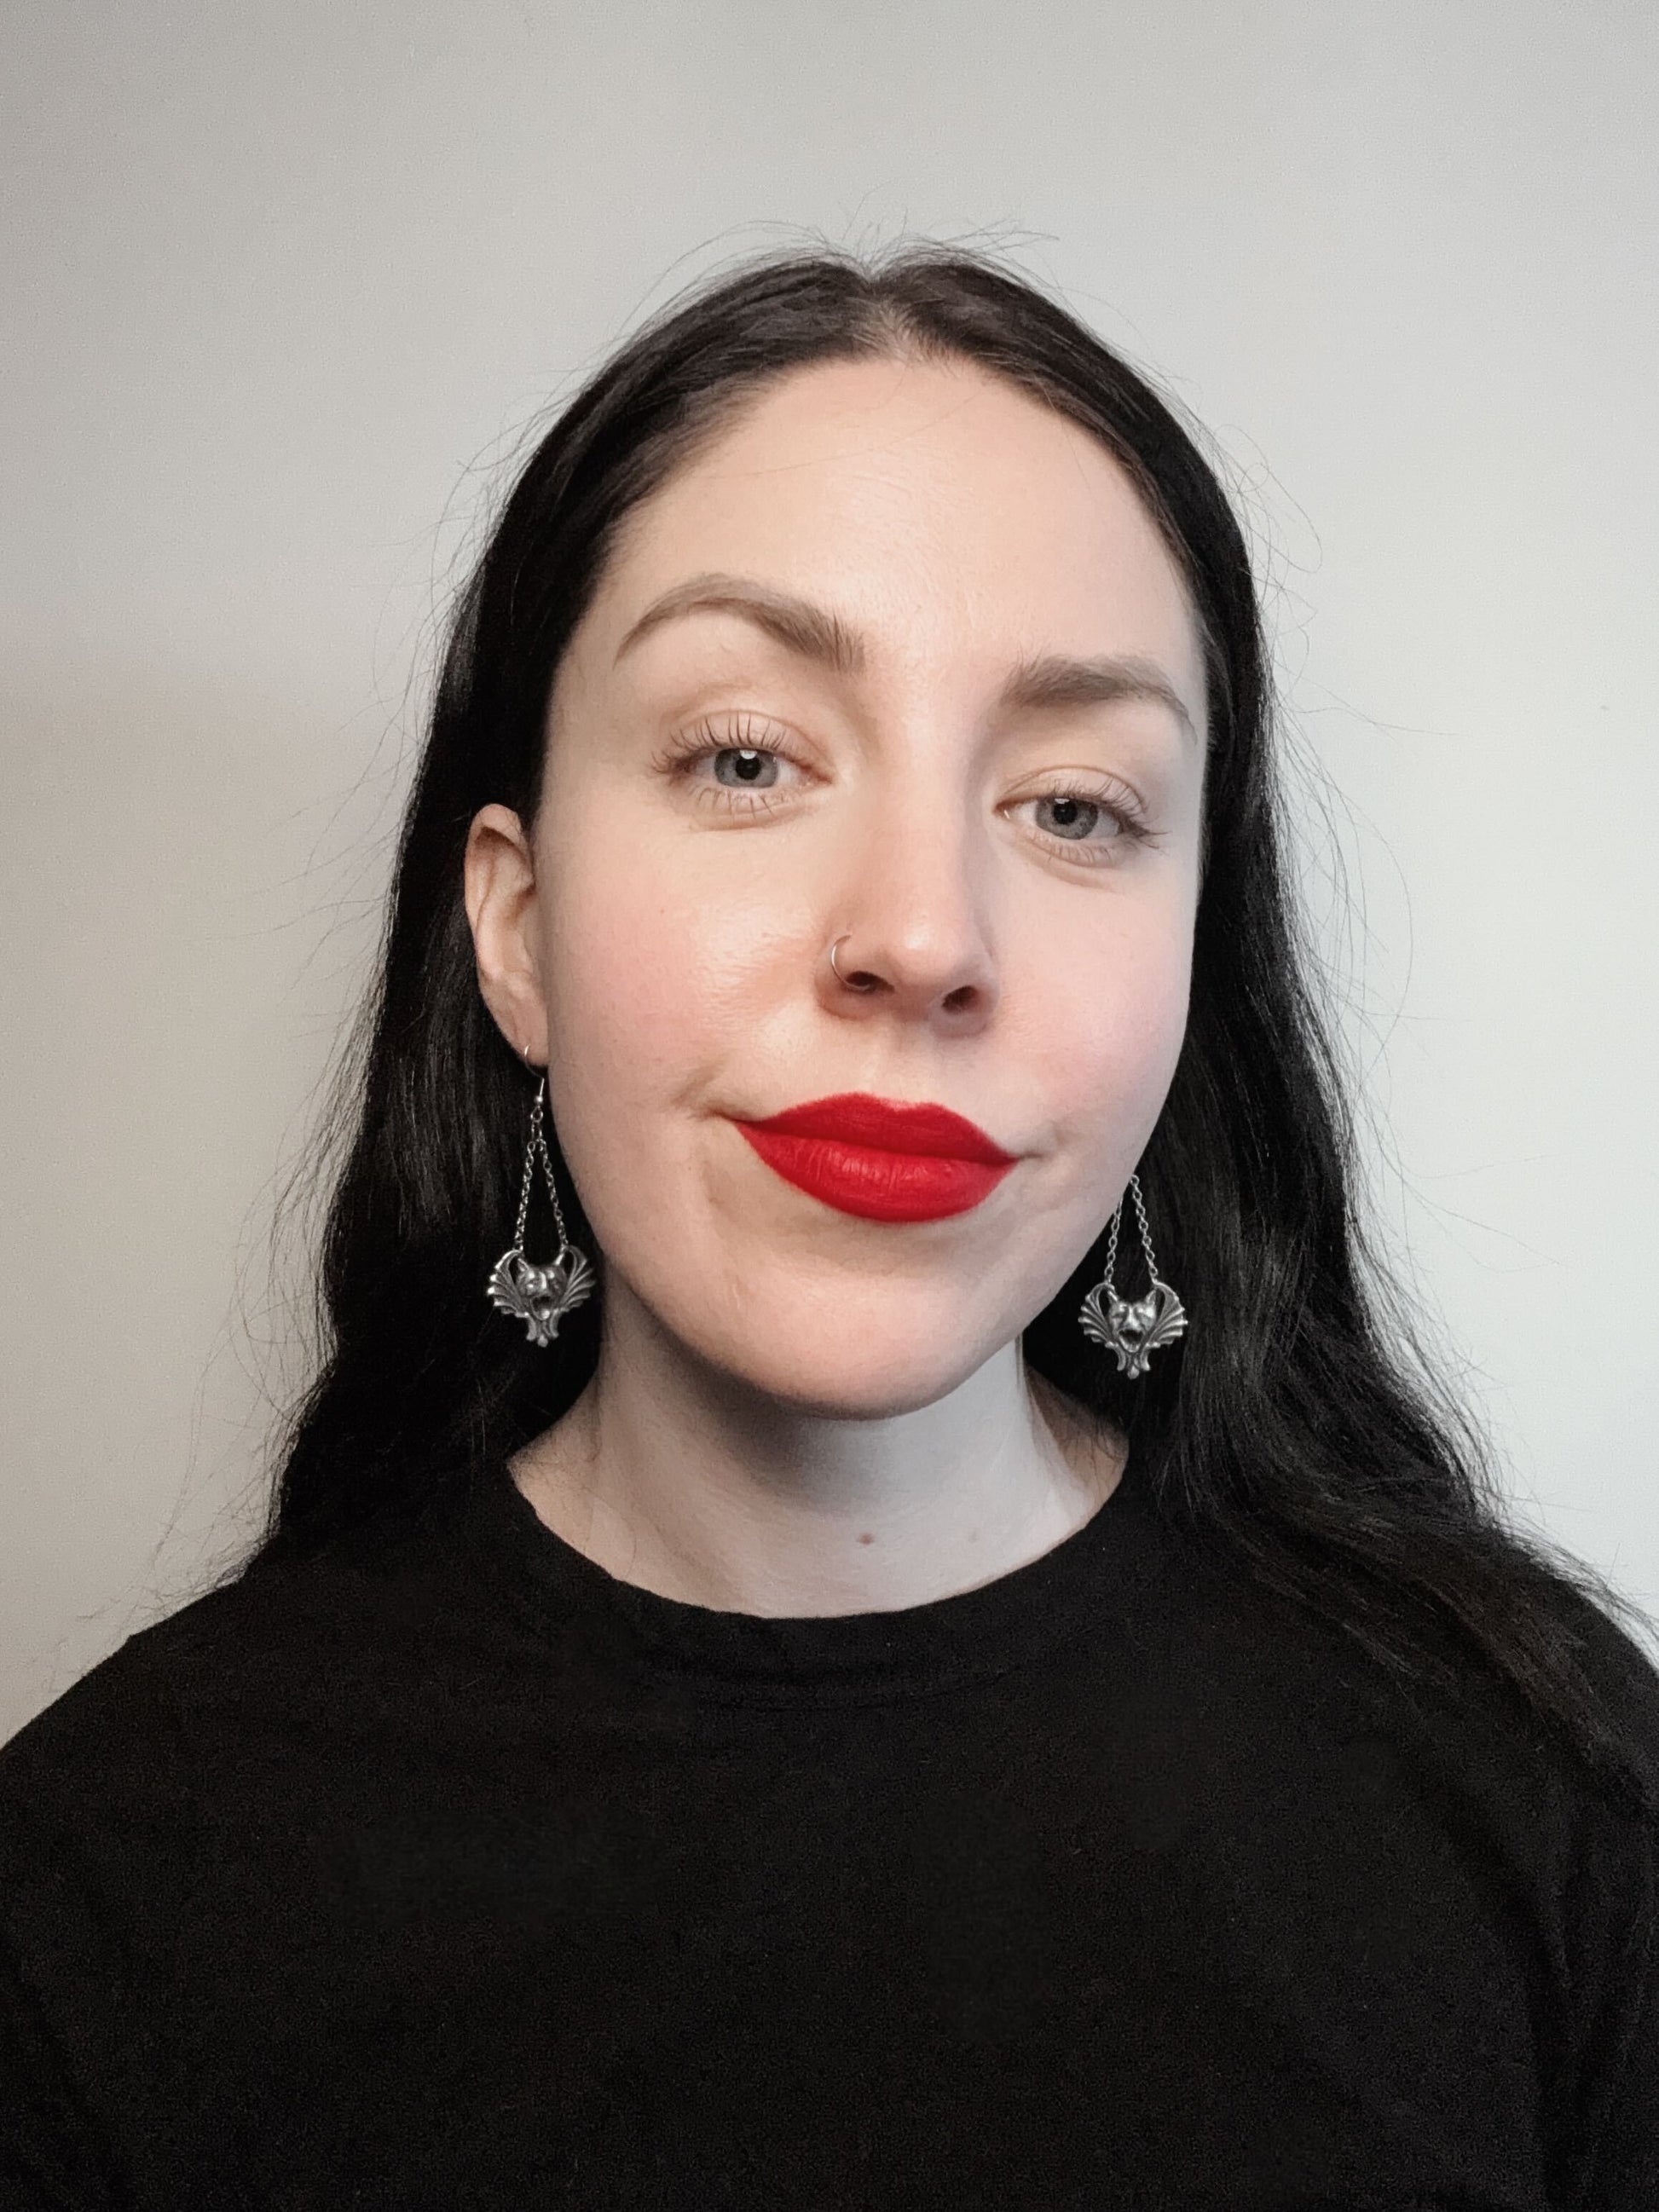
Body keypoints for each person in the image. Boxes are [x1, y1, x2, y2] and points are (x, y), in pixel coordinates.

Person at [3, 242, 1656, 2209]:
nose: (923, 936)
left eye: (1074, 805)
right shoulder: (102, 1883)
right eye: (746, 758)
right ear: (515, 928)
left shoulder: (1547, 1786)